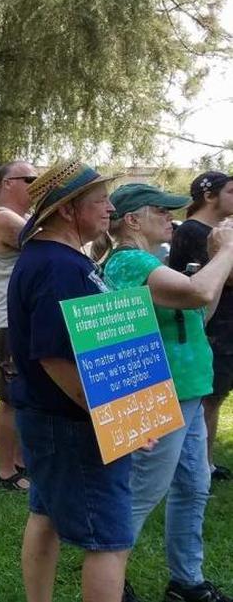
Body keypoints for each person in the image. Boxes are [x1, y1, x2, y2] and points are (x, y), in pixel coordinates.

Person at [8, 159, 149, 602]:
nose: (110, 208)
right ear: (68, 210)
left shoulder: (55, 258)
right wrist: (119, 414)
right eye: (100, 200)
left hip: (48, 416)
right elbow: (55, 357)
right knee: (110, 540)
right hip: (71, 422)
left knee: (45, 515)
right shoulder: (59, 266)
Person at [97, 183, 233, 602]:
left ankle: (186, 581)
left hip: (188, 388)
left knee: (193, 486)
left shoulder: (150, 261)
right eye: (160, 210)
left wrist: (214, 260)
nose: (170, 217)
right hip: (161, 390)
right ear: (132, 221)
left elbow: (198, 311)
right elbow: (200, 292)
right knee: (141, 491)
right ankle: (110, 582)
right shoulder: (128, 262)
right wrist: (226, 251)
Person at [167, 171, 233, 482]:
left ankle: (203, 464)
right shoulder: (194, 231)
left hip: (225, 326)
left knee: (215, 396)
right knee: (206, 398)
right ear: (210, 196)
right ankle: (197, 465)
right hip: (209, 327)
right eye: (232, 191)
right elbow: (215, 280)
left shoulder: (220, 233)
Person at [0, 161, 35, 492]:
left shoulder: (24, 220)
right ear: (6, 184)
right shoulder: (3, 218)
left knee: (25, 396)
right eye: (28, 179)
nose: (35, 184)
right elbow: (47, 243)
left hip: (26, 320)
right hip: (10, 321)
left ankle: (19, 461)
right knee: (11, 397)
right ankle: (6, 471)